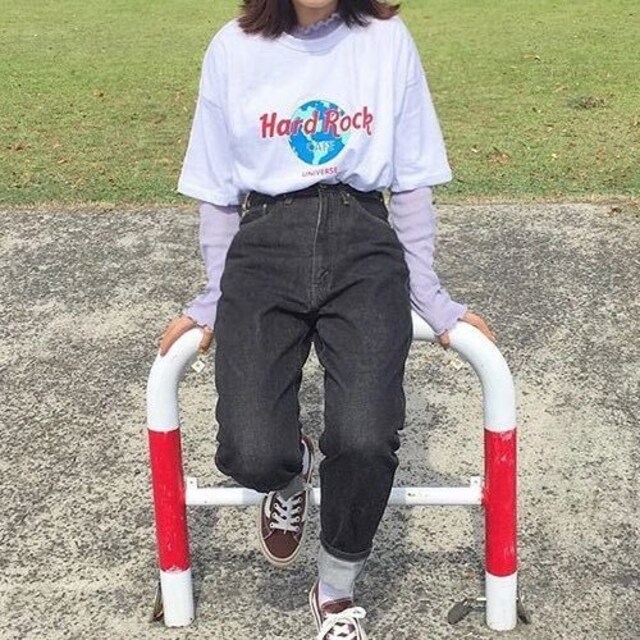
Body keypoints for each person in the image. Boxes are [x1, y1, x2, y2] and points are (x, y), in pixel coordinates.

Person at [159, 1, 496, 638]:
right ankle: (291, 467)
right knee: (251, 451)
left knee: (367, 436)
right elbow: (217, 188)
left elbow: (413, 178)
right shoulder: (233, 48)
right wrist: (210, 300)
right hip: (264, 239)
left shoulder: (385, 39)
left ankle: (336, 590)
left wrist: (432, 297)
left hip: (362, 236)